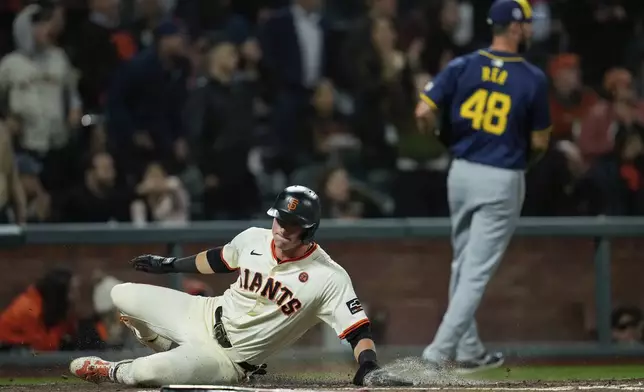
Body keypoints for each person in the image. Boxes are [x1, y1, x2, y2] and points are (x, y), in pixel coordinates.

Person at [69, 185, 410, 387]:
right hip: (202, 313)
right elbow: (220, 259)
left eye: (292, 224)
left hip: (228, 360)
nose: (280, 229)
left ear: (309, 230)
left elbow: (357, 329)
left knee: (148, 372)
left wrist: (367, 365)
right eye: (279, 218)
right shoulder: (254, 237)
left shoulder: (329, 277)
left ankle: (112, 371)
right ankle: (159, 342)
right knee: (121, 294)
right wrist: (169, 265)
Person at [415, 0, 551, 373]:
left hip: (461, 173)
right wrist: (524, 162)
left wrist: (446, 140)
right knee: (474, 271)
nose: (530, 29)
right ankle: (437, 354)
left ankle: (471, 350)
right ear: (515, 27)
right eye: (526, 23)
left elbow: (423, 111)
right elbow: (540, 143)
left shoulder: (463, 65)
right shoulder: (532, 77)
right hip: (501, 175)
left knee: (463, 264)